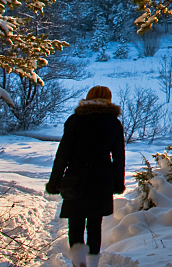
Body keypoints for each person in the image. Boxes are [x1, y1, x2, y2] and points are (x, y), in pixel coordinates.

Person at [46, 85, 125, 267]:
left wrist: (54, 181)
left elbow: (63, 155)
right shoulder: (113, 122)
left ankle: (78, 262)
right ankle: (93, 262)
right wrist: (117, 183)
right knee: (95, 224)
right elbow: (119, 156)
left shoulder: (76, 120)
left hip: (76, 178)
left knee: (75, 222)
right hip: (102, 179)